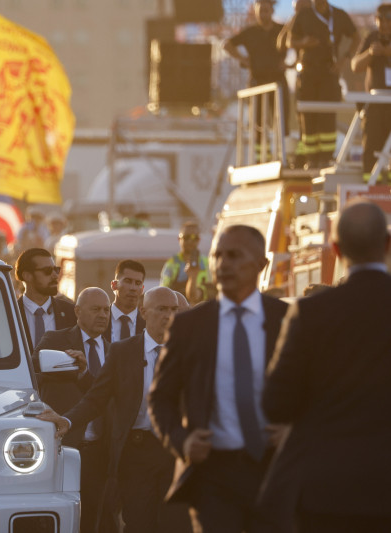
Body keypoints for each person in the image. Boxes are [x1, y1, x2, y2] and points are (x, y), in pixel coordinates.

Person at [148, 225, 289, 533]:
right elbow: (160, 398)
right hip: (212, 476)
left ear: (261, 265)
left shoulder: (287, 320)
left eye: (235, 256)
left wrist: (294, 431)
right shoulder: (189, 326)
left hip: (275, 472)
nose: (223, 264)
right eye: (217, 255)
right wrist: (183, 442)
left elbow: (315, 391)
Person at [261, 200, 391, 532]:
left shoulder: (309, 313)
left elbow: (275, 402)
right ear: (388, 244)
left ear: (335, 248)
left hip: (326, 490)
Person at [39, 287, 180, 533]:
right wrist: (67, 420)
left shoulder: (189, 351)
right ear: (144, 312)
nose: (169, 315)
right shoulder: (123, 352)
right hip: (137, 453)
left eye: (174, 310)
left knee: (174, 523)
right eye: (162, 309)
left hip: (176, 453)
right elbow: (96, 399)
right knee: (139, 522)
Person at [34, 287, 113, 533]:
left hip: (101, 452)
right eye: (96, 309)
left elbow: (106, 398)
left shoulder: (116, 352)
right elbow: (33, 378)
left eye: (107, 310)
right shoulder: (55, 341)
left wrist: (83, 374)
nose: (103, 315)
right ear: (77, 311)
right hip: (63, 446)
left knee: (98, 518)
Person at [285, 0, 359, 169]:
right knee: (308, 117)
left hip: (329, 74)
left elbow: (356, 37)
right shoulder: (303, 15)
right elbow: (290, 41)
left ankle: (326, 158)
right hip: (308, 74)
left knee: (327, 116)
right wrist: (304, 42)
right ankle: (311, 159)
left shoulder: (339, 15)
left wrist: (344, 60)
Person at [225, 0, 289, 160]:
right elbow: (227, 44)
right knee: (258, 123)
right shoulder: (250, 32)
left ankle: (284, 156)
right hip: (257, 82)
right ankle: (261, 157)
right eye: (260, 11)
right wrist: (243, 59)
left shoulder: (282, 30)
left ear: (272, 11)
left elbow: (297, 42)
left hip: (278, 82)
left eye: (266, 11)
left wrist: (289, 63)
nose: (263, 14)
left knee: (282, 120)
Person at [351, 3, 391, 182]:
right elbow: (355, 66)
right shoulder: (371, 38)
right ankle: (372, 185)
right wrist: (370, 53)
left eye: (388, 19)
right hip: (375, 104)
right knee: (371, 146)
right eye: (379, 19)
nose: (383, 24)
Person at [14, 247, 76, 348]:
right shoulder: (11, 313)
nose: (55, 276)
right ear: (27, 276)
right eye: (47, 271)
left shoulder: (71, 313)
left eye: (56, 270)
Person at [161, 221, 210, 305]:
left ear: (199, 240)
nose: (190, 241)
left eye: (195, 237)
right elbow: (163, 291)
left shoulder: (207, 263)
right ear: (179, 239)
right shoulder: (171, 263)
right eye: (186, 237)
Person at [106, 259, 147, 342]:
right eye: (128, 281)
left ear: (142, 289)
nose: (133, 288)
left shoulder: (148, 325)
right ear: (114, 285)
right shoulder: (100, 319)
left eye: (138, 283)